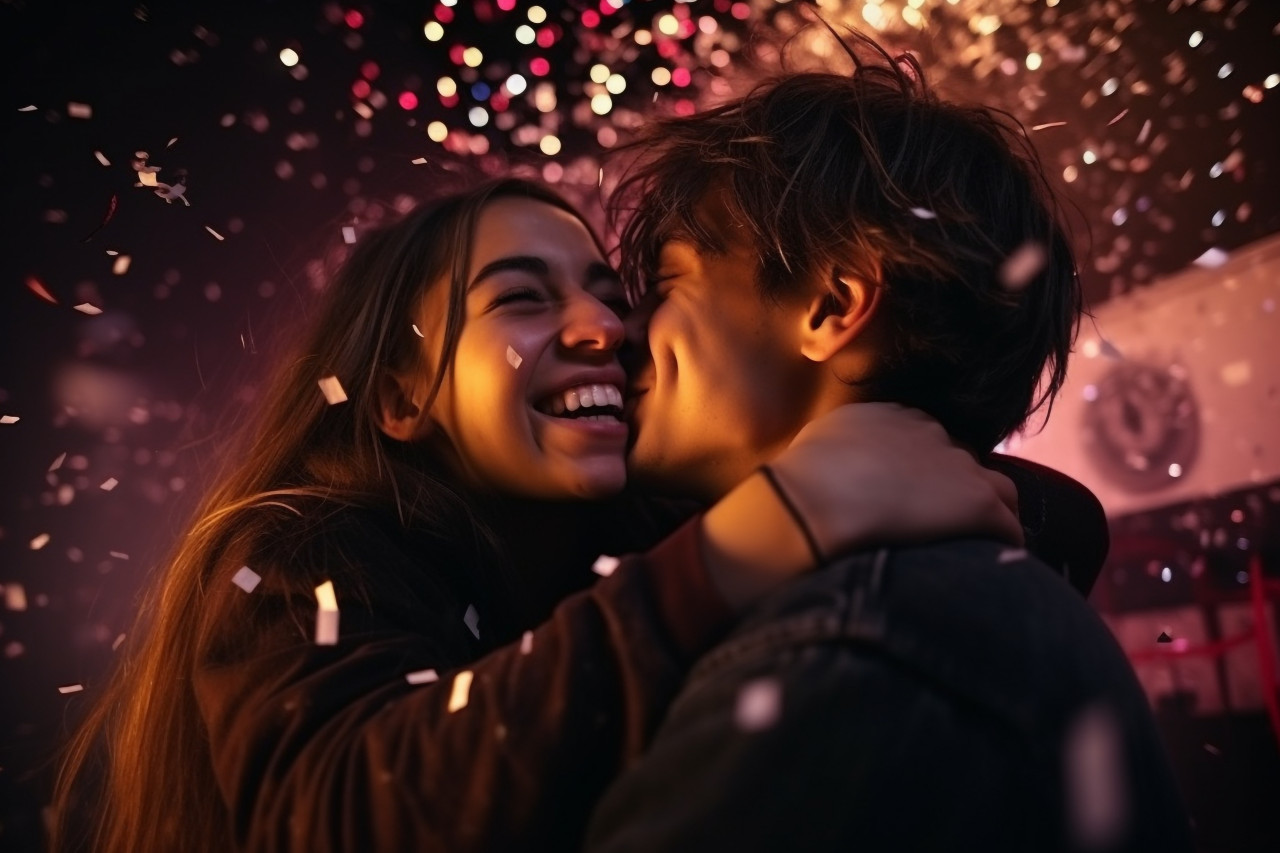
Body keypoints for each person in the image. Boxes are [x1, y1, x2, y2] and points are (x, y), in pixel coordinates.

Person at [51, 177, 1062, 853]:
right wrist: (758, 533)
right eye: (520, 300)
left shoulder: (631, 522)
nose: (604, 330)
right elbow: (348, 805)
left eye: (612, 294)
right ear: (400, 397)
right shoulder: (297, 554)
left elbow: (1058, 521)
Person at [584, 32, 1193, 853]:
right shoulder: (940, 597)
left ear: (832, 306)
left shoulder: (844, 648)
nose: (622, 332)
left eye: (666, 287)